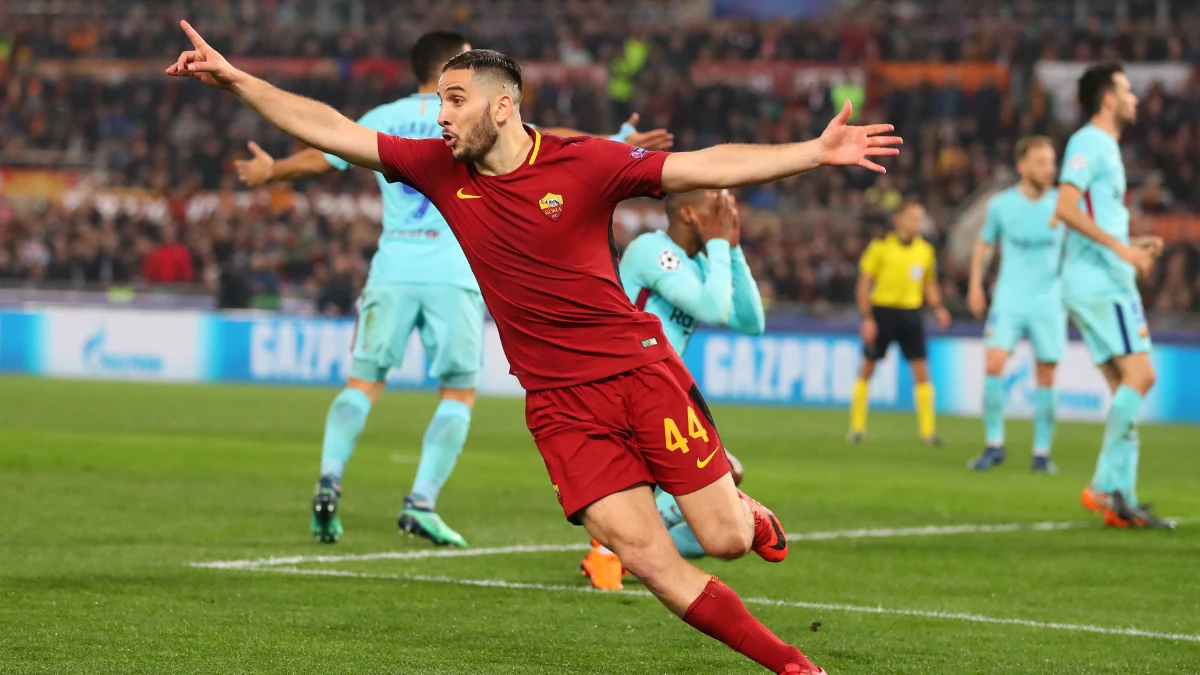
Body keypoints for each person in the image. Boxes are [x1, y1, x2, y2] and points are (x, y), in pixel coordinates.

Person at [168, 22, 901, 672]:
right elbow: (329, 128)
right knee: (647, 558)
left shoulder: (585, 163)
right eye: (440, 100)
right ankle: (794, 665)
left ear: (502, 105)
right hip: (559, 406)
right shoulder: (434, 166)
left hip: (638, 373)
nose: (441, 114)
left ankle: (745, 508)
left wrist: (814, 151)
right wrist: (233, 78)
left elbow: (704, 166)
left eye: (456, 99)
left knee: (728, 539)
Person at [232, 32, 672, 546]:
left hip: (392, 269)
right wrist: (613, 142)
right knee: (458, 392)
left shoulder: (383, 117)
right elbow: (546, 139)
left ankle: (329, 480)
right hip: (455, 273)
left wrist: (273, 170)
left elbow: (325, 152)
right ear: (446, 67)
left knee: (363, 384)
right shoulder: (473, 120)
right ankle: (420, 501)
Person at [580, 189, 763, 591]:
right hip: (620, 386)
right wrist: (717, 244)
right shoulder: (651, 250)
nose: (725, 214)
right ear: (688, 213)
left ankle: (625, 553)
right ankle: (611, 551)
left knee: (727, 478)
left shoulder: (701, 263)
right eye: (715, 208)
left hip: (657, 391)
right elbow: (715, 310)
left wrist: (730, 250)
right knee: (717, 480)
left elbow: (752, 321)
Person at [1053, 62, 1172, 529]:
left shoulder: (1104, 147)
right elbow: (1065, 206)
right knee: (1142, 377)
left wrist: (1133, 242)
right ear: (1107, 98)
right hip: (1102, 281)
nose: (1135, 99)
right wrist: (1123, 250)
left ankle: (1123, 498)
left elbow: (1093, 214)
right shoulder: (1090, 142)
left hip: (1095, 277)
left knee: (1125, 386)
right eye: (1127, 91)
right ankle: (1105, 485)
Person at [966, 136, 1064, 473]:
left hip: (1049, 299)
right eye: (1040, 162)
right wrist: (976, 285)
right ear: (1022, 166)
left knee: (1047, 374)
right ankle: (994, 445)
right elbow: (984, 246)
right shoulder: (1001, 205)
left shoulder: (1064, 204)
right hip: (1009, 296)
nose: (1048, 169)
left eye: (1051, 162)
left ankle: (1042, 453)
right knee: (993, 363)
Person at [848, 202, 951, 445]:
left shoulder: (925, 250)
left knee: (922, 372)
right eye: (913, 218)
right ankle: (857, 428)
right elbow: (864, 285)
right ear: (899, 219)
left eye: (920, 218)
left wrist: (938, 308)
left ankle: (928, 433)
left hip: (911, 314)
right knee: (867, 369)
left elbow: (929, 283)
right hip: (882, 312)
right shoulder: (880, 248)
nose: (918, 224)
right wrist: (868, 318)